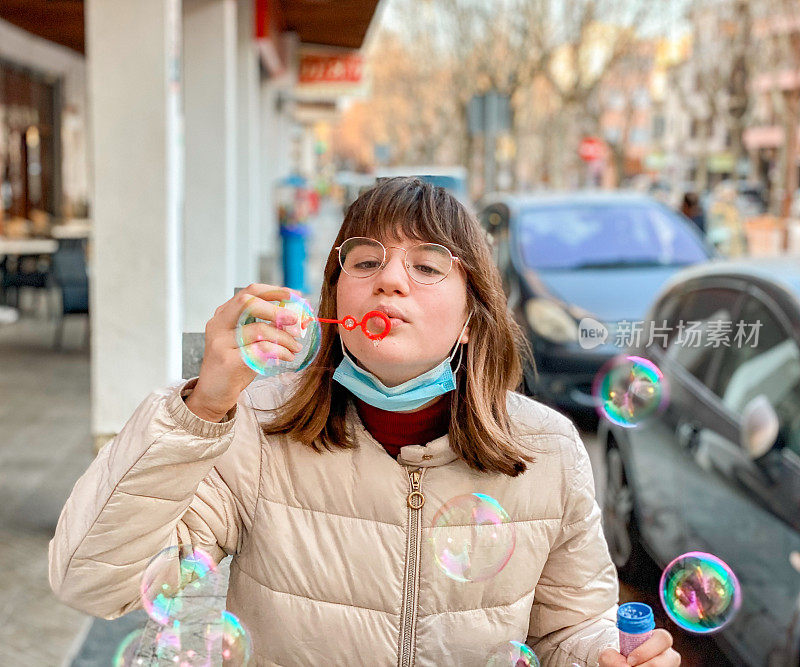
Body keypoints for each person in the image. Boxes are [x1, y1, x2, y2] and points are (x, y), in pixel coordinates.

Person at [49, 178, 679, 666]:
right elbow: (92, 584)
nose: (391, 282)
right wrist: (203, 408)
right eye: (366, 262)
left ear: (470, 317)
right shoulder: (252, 434)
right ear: (335, 299)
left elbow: (572, 626)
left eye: (428, 267)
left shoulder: (547, 450)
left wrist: (603, 654)